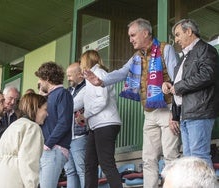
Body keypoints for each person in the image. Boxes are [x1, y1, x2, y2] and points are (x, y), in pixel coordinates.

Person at [84, 18, 180, 188]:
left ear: (145, 33)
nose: (130, 39)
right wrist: (100, 81)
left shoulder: (166, 49)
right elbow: (121, 73)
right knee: (148, 159)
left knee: (170, 156)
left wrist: (176, 113)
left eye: (133, 35)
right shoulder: (137, 57)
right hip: (149, 113)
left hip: (168, 110)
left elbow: (177, 80)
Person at [162, 19, 219, 167]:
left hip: (199, 112)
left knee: (199, 156)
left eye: (178, 34)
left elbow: (207, 75)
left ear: (189, 31)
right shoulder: (184, 57)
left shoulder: (205, 49)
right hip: (186, 114)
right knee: (189, 160)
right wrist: (171, 85)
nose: (176, 39)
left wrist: (178, 86)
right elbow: (181, 84)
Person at [80, 50, 122, 188]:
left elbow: (102, 100)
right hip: (96, 126)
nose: (80, 64)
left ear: (86, 60)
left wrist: (86, 114)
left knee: (106, 163)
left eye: (81, 61)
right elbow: (81, 99)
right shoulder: (91, 77)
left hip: (105, 124)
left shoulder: (98, 73)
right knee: (90, 163)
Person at [0, 93, 48, 188]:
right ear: (36, 108)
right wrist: (32, 185)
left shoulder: (14, 125)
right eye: (45, 109)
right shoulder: (32, 127)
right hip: (14, 178)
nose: (47, 114)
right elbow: (28, 161)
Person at [35, 61, 73, 188]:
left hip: (54, 149)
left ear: (47, 78)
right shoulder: (48, 97)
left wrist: (47, 144)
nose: (39, 83)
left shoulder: (63, 94)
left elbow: (64, 123)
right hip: (47, 149)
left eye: (40, 79)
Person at [64, 62, 87, 188]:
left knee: (82, 170)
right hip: (67, 138)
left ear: (79, 75)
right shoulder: (67, 91)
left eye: (70, 76)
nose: (68, 79)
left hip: (80, 136)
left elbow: (71, 107)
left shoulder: (87, 87)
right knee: (70, 172)